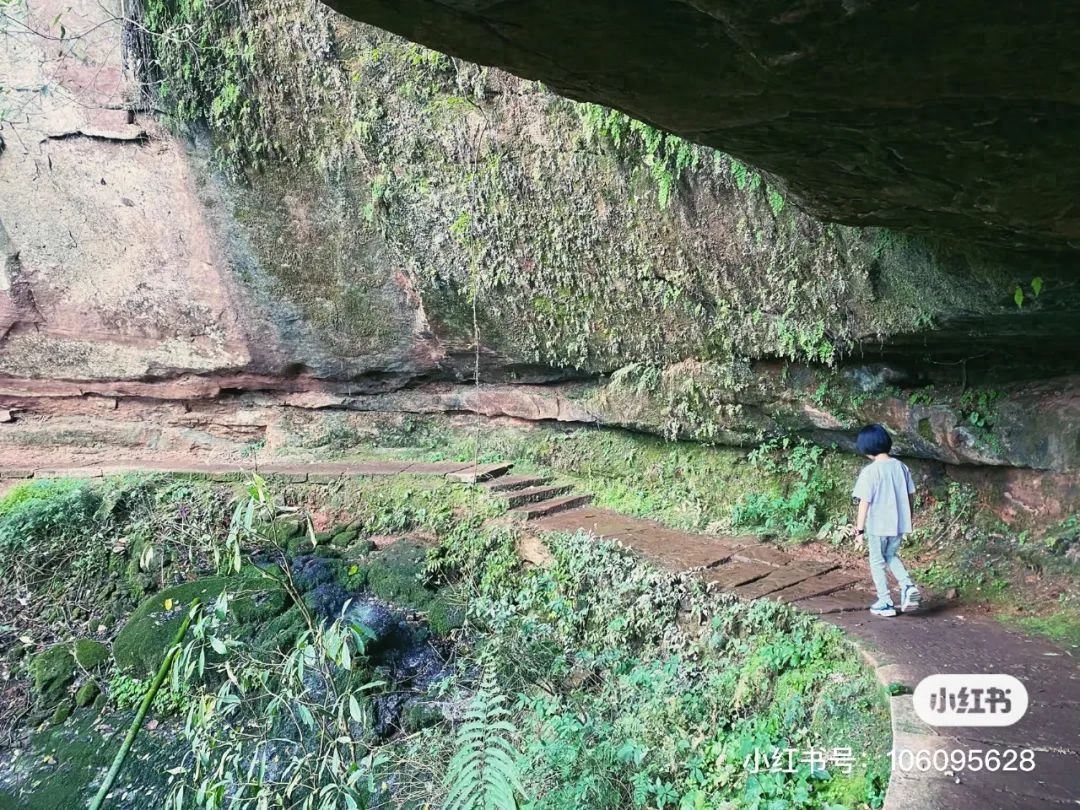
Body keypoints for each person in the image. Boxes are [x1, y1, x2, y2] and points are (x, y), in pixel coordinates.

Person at [848, 424, 921, 617]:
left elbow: (864, 502)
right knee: (891, 555)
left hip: (878, 526)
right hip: (898, 524)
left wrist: (859, 531)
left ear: (866, 448)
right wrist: (908, 518)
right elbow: (910, 495)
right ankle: (907, 586)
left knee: (877, 561)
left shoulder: (870, 472)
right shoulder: (901, 467)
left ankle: (885, 602)